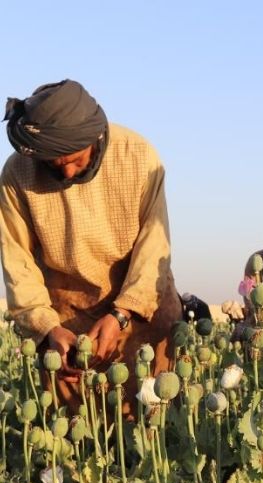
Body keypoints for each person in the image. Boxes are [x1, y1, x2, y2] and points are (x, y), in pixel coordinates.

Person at [0, 79, 181, 414]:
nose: (66, 171)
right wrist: (48, 328)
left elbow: (153, 248)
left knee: (151, 421)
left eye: (75, 159)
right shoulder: (17, 173)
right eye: (54, 163)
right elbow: (17, 263)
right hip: (66, 317)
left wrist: (121, 314)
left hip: (141, 306)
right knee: (77, 436)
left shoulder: (138, 156)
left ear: (95, 139)